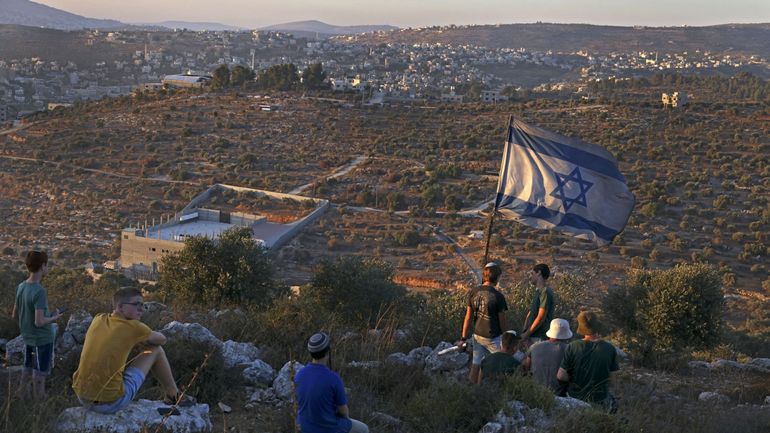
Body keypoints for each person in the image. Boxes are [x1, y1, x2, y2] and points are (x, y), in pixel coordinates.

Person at [72, 287, 193, 414]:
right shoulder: (133, 327)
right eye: (136, 305)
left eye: (142, 305)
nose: (141, 309)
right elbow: (162, 339)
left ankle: (172, 394)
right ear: (120, 307)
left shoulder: (99, 318)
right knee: (155, 349)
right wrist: (141, 339)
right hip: (110, 404)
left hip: (83, 397)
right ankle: (173, 394)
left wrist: (135, 342)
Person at [11, 250, 63, 400]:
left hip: (28, 336)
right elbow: (39, 322)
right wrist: (54, 317)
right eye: (47, 265)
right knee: (40, 372)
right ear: (42, 266)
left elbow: (15, 314)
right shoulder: (40, 291)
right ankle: (40, 401)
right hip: (42, 339)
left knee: (27, 368)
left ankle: (21, 396)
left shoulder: (21, 286)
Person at [294, 332, 369, 433]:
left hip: (303, 426)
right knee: (363, 429)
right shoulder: (333, 378)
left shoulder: (299, 374)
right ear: (327, 352)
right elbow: (343, 412)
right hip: (326, 428)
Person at [557, 311, 619, 412]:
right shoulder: (610, 348)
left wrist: (573, 379)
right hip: (599, 400)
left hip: (575, 399)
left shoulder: (573, 346)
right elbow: (613, 379)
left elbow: (560, 375)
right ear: (597, 326)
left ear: (581, 328)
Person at [460, 262, 508, 384]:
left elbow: (468, 317)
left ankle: (472, 389)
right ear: (497, 278)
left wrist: (463, 338)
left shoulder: (473, 292)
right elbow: (502, 321)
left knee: (476, 362)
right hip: (493, 337)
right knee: (500, 363)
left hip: (477, 335)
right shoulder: (498, 297)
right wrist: (506, 337)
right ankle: (493, 390)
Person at [522, 318, 572, 395]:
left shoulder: (534, 347)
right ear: (566, 335)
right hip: (559, 395)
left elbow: (525, 367)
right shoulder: (569, 350)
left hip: (535, 392)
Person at [521, 264, 555, 342]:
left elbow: (541, 317)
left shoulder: (545, 292)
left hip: (539, 336)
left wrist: (526, 334)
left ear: (539, 273)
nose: (530, 277)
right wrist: (525, 330)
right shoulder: (538, 292)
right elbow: (531, 313)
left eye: (532, 274)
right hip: (532, 335)